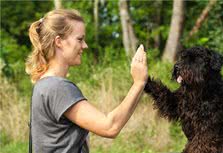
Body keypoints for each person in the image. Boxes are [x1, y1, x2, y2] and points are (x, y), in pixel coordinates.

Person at [25, 9, 148, 153]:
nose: (85, 45)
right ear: (59, 41)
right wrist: (139, 82)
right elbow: (110, 127)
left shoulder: (43, 85)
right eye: (79, 39)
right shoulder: (58, 87)